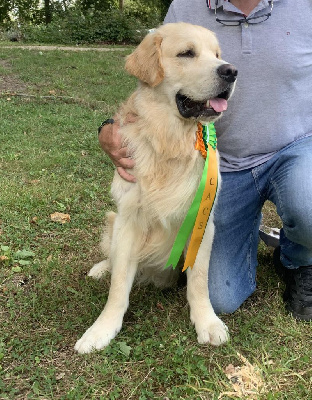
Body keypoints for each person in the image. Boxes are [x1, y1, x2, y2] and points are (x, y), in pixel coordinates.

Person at [98, 0, 312, 320]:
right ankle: (247, 229)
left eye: (216, 53)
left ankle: (298, 258)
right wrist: (108, 129)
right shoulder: (184, 8)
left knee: (308, 204)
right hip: (223, 164)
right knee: (222, 297)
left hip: (296, 150)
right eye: (191, 53)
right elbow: (153, 81)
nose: (223, 65)